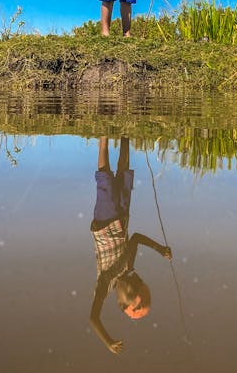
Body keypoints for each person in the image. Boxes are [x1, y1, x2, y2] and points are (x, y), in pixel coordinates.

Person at [89, 136, 172, 355]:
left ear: (122, 302)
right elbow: (134, 238)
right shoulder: (128, 267)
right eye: (138, 285)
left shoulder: (104, 284)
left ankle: (103, 139)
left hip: (105, 223)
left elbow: (93, 318)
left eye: (132, 292)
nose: (134, 284)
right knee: (124, 173)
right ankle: (125, 135)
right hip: (122, 218)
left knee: (105, 177)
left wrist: (107, 341)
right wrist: (160, 248)